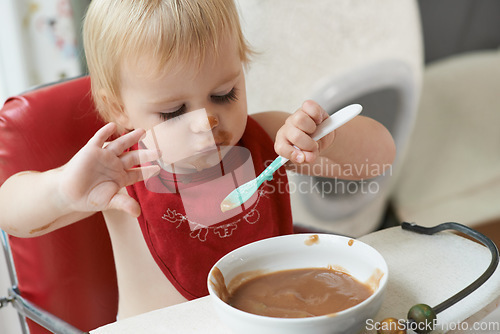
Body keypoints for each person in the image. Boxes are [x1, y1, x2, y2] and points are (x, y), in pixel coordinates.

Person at [0, 0, 395, 319]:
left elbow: (380, 156)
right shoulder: (117, 170)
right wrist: (64, 190)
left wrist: (327, 140)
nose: (206, 124)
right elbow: (9, 213)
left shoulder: (270, 138)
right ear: (117, 107)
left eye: (224, 94)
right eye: (173, 112)